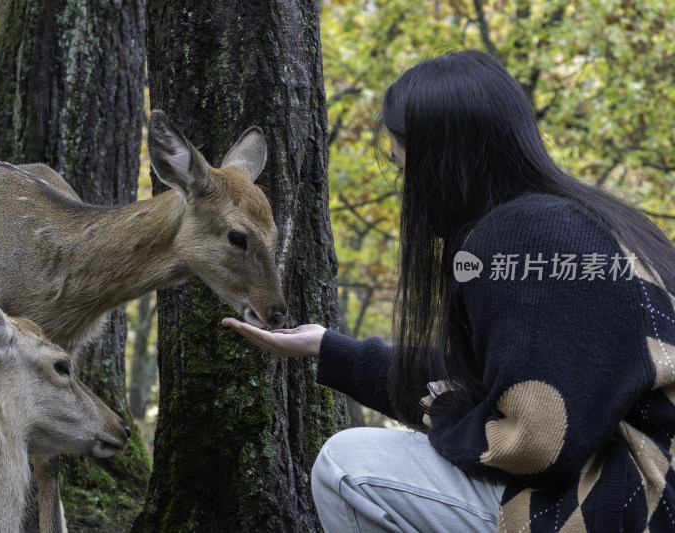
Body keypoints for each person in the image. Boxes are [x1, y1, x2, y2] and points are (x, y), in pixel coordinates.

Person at [222, 49, 675, 532]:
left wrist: (444, 410)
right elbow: (506, 384)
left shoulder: (523, 234)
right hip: (646, 491)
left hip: (630, 504)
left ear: (443, 162)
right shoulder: (588, 218)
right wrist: (328, 347)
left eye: (405, 171)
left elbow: (538, 443)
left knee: (348, 465)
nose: (406, 193)